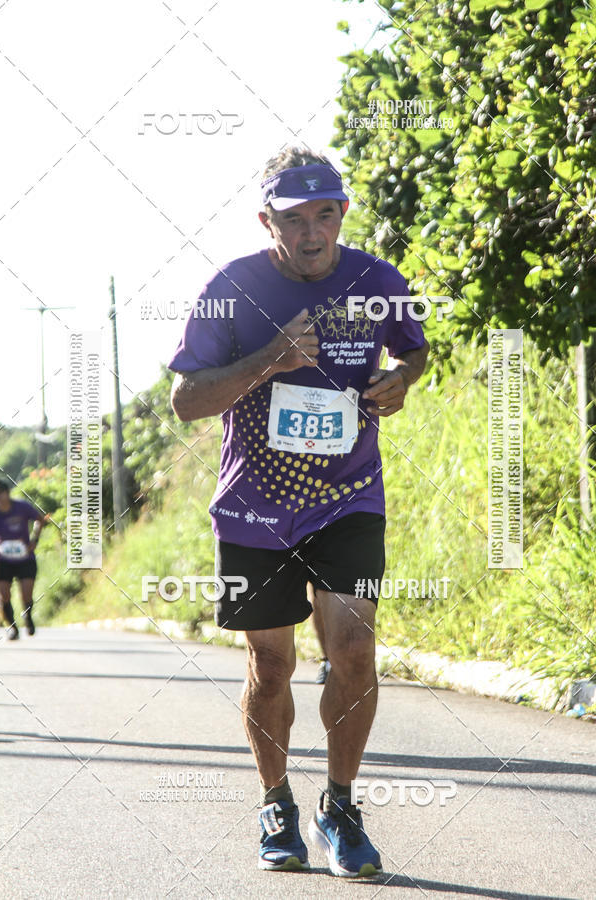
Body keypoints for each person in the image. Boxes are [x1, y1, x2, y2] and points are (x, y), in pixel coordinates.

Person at [169, 147, 429, 878]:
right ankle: (276, 801)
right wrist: (269, 361)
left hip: (348, 497)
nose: (314, 233)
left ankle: (340, 807)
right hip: (254, 510)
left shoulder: (376, 280)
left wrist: (401, 378)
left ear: (342, 212)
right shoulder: (233, 288)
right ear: (267, 222)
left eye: (327, 215)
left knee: (352, 652)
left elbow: (416, 350)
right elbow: (186, 400)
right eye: (295, 220)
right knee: (272, 665)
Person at [0, 479, 46, 640]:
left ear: (7, 493)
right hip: (2, 559)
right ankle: (12, 627)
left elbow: (40, 519)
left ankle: (28, 617)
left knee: (26, 594)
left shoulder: (22, 507)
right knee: (3, 595)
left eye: (0, 493)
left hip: (25, 557)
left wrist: (34, 540)